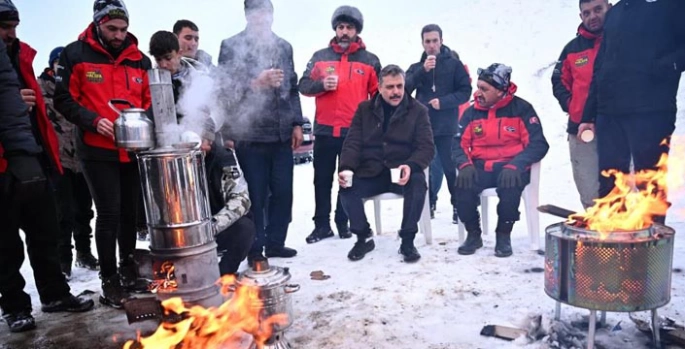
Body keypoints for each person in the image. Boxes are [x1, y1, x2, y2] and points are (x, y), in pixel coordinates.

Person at [0, 2, 94, 333]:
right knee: (5, 243)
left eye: (14, 25)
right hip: (3, 164)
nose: (11, 33)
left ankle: (54, 295)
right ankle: (14, 306)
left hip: (36, 157)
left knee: (46, 232)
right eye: (3, 27)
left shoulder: (20, 56)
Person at [54, 0, 152, 309]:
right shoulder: (75, 54)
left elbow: (149, 101)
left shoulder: (140, 60)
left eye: (123, 29)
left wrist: (140, 121)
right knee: (109, 212)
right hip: (96, 148)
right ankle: (109, 280)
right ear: (98, 24)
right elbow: (63, 99)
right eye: (112, 28)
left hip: (132, 148)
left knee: (129, 214)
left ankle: (128, 268)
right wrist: (94, 121)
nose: (119, 35)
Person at [149, 30, 254, 275]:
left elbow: (242, 199)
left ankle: (223, 276)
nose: (165, 65)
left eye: (168, 58)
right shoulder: (173, 168)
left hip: (214, 228)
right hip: (182, 235)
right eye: (159, 60)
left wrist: (211, 227)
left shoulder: (221, 157)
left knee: (246, 227)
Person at [579, 0, 685, 221]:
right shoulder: (617, 11)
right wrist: (588, 115)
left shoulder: (670, 5)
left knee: (649, 182)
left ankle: (651, 247)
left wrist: (666, 66)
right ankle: (611, 244)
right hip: (609, 113)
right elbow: (601, 66)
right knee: (610, 182)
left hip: (651, 111)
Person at [218, 0, 304, 264]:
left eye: (266, 12)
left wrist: (297, 123)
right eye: (255, 13)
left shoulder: (283, 46)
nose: (261, 18)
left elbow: (292, 86)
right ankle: (255, 250)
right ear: (247, 15)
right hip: (250, 134)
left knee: (283, 193)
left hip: (281, 135)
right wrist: (257, 82)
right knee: (255, 195)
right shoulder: (231, 46)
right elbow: (225, 88)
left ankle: (276, 243)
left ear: (272, 15)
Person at [299, 5, 381, 244]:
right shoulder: (320, 57)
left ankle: (343, 221)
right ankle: (321, 225)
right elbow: (303, 85)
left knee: (347, 178)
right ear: (335, 29)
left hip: (353, 133)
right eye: (341, 27)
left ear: (357, 30)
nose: (345, 32)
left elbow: (378, 96)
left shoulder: (370, 60)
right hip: (324, 130)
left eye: (350, 27)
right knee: (321, 180)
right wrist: (321, 84)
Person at [338, 64, 435, 263]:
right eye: (390, 87)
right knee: (347, 188)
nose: (396, 92)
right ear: (379, 88)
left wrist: (411, 165)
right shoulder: (364, 109)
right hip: (371, 171)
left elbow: (426, 147)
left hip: (402, 171)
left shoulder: (418, 110)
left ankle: (407, 240)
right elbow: (353, 142)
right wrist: (346, 168)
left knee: (418, 183)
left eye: (399, 86)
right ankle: (364, 236)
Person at [453, 63, 549, 258]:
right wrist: (464, 164)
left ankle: (503, 235)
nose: (478, 93)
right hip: (482, 166)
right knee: (462, 186)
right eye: (478, 87)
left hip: (512, 166)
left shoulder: (522, 109)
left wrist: (517, 165)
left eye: (484, 89)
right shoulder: (471, 112)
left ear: (500, 91)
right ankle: (473, 234)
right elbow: (457, 144)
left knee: (510, 185)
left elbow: (538, 144)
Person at [37, 46, 98, 279]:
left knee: (84, 210)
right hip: (56, 159)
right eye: (58, 64)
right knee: (62, 213)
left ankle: (84, 252)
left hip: (82, 158)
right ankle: (63, 259)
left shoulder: (79, 87)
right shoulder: (40, 87)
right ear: (52, 65)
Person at [405, 24, 472, 224]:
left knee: (451, 169)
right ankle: (427, 205)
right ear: (422, 43)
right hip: (422, 128)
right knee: (425, 169)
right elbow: (404, 89)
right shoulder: (416, 67)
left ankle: (457, 205)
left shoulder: (454, 65)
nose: (432, 45)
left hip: (447, 126)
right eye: (428, 41)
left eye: (435, 40)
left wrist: (444, 102)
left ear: (441, 41)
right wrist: (422, 71)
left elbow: (465, 91)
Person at [551, 0, 610, 210]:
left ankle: (628, 239)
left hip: (619, 125)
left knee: (625, 187)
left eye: (597, 10)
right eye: (586, 13)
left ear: (609, 7)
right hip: (582, 129)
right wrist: (574, 106)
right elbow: (558, 81)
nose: (592, 16)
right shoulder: (572, 49)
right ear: (580, 17)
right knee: (589, 188)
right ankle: (598, 239)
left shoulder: (622, 40)